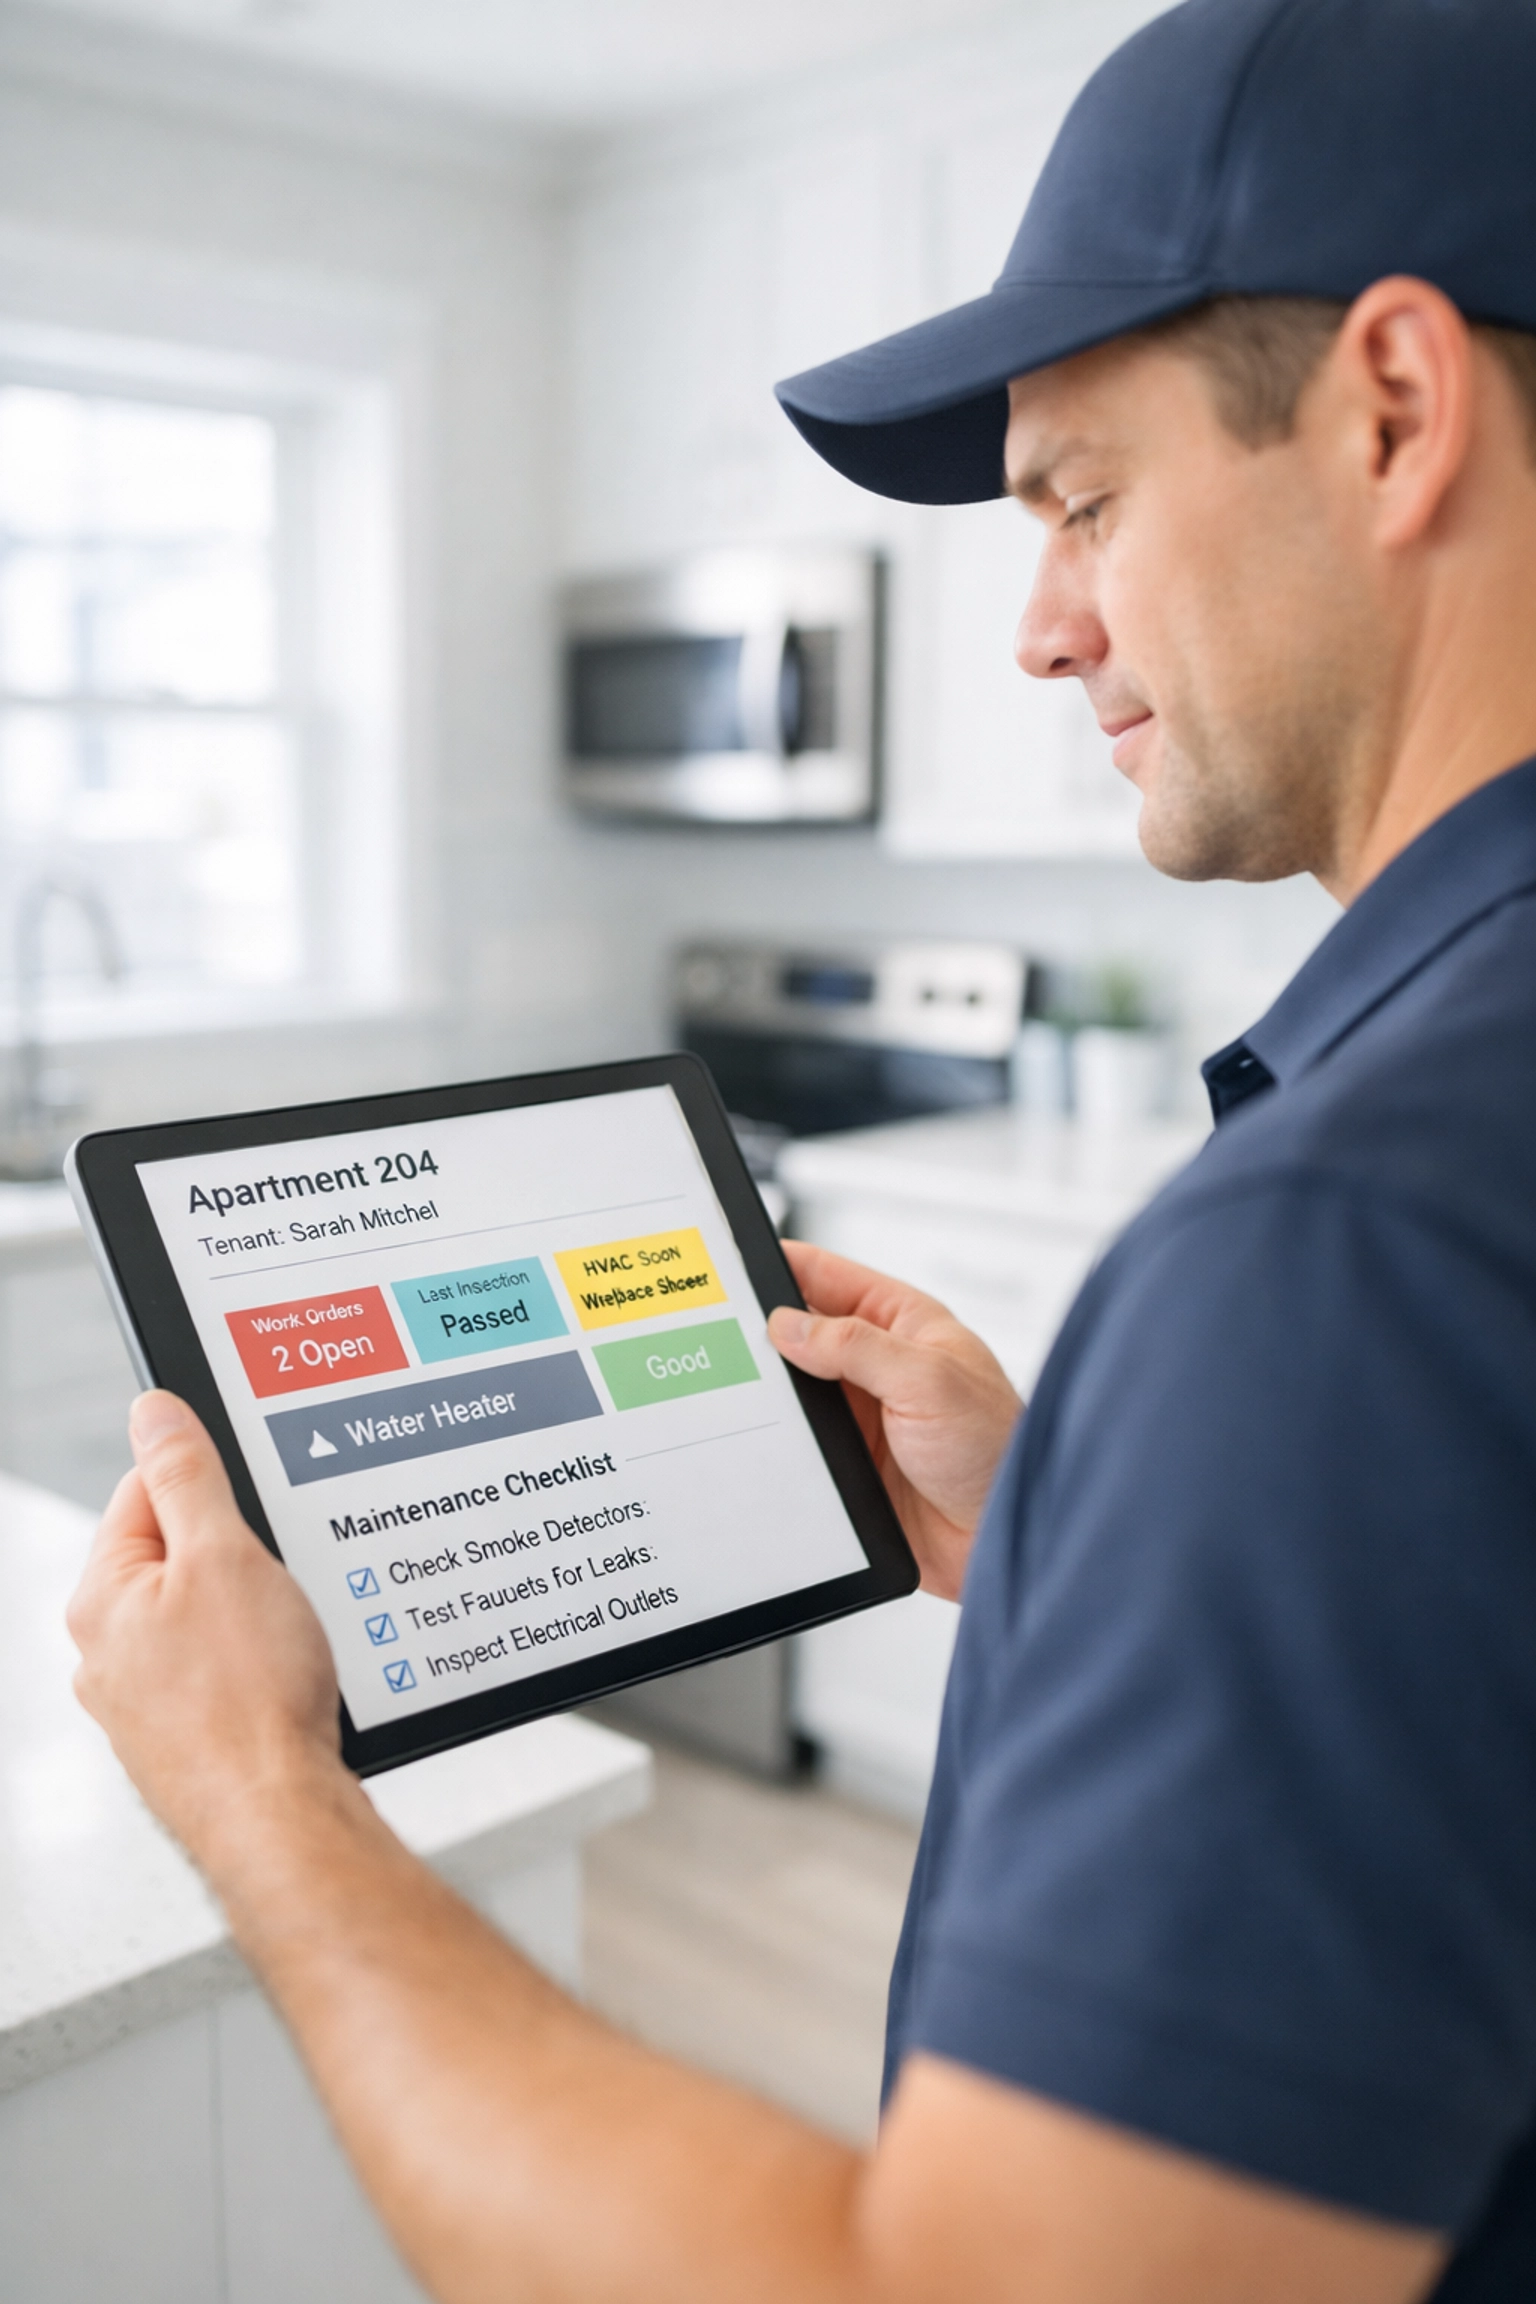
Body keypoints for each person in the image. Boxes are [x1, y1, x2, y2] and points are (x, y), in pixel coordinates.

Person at [66, 0, 1536, 2295]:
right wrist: (1087, 1532)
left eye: (1080, 500)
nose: (1041, 630)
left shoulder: (1351, 1248)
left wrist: (260, 1799)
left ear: (1393, 409)